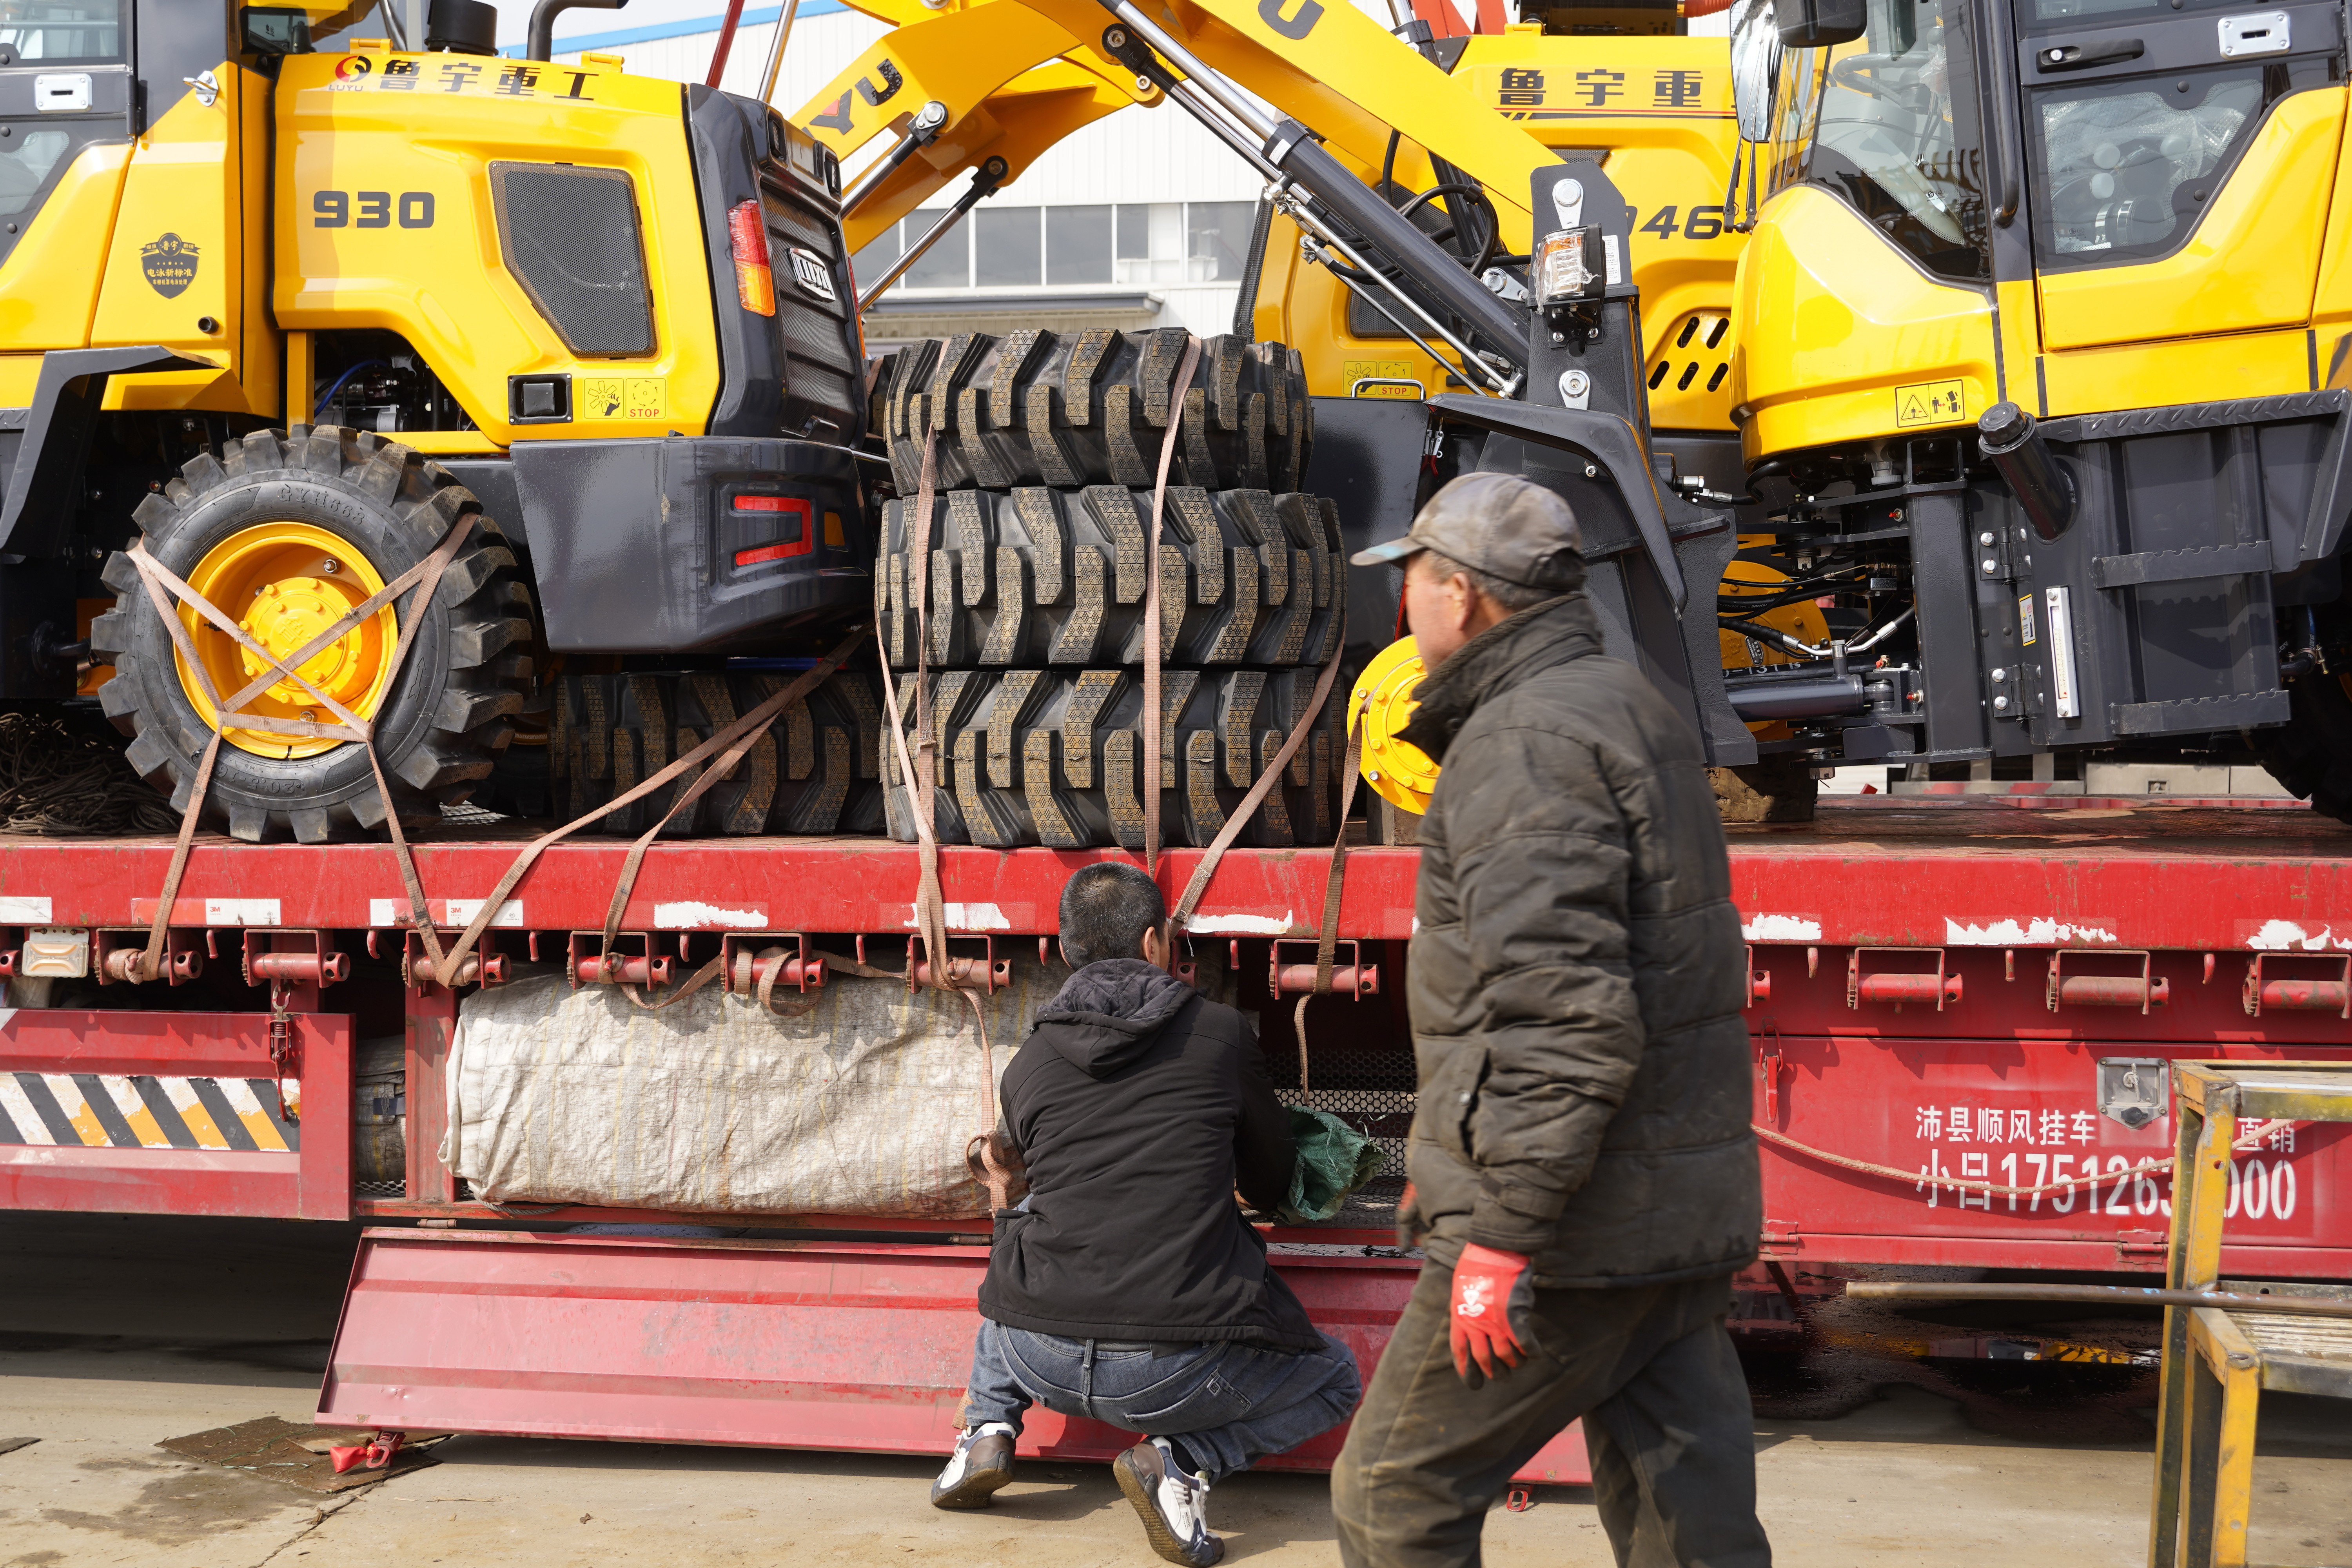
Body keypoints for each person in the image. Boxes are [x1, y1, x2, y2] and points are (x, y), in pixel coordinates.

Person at [1330, 473, 1771, 1568]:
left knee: (1393, 1494)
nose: (1409, 609)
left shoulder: (1522, 745)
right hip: (1669, 1208)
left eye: (1418, 584)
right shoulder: (1626, 705)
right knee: (1689, 1524)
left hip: (1579, 1230)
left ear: (1464, 598)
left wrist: (1503, 1234)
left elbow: (1565, 1021)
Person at [930, 860, 1363, 1567]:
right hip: (1172, 1374)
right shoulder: (1220, 1035)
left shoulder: (1028, 1062)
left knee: (1035, 1216)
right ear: (1159, 942)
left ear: (1066, 951)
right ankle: (1186, 1460)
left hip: (1035, 1358)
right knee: (1338, 1377)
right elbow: (1274, 1178)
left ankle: (985, 1428)